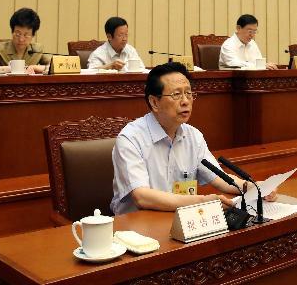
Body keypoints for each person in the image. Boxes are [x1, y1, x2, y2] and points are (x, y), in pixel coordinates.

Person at [111, 62, 276, 214]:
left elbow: (220, 179)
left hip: (181, 219)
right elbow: (142, 197)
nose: (185, 101)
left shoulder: (193, 136)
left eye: (188, 93)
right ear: (154, 102)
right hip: (137, 225)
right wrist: (201, 202)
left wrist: (254, 187)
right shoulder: (131, 138)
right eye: (177, 94)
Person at [0, 8, 51, 75]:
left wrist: (34, 67)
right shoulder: (0, 48)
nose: (21, 39)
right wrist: (11, 69)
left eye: (26, 35)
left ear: (33, 35)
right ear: (12, 31)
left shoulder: (38, 49)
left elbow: (54, 67)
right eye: (18, 34)